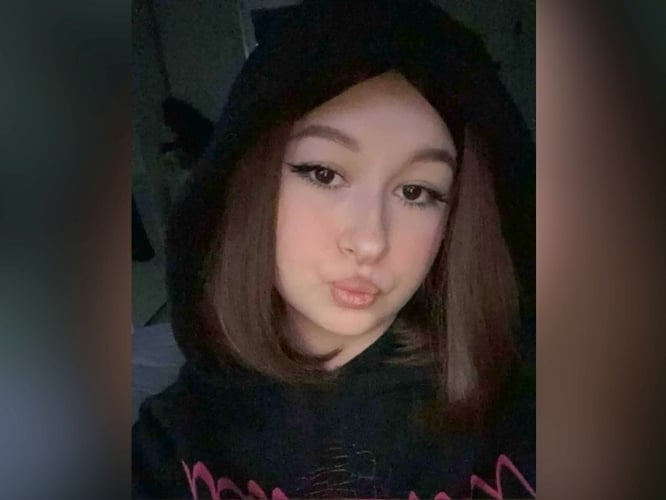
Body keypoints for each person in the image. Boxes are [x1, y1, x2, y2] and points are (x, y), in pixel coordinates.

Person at [132, 0, 535, 498]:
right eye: (324, 174)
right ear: (248, 184)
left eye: (416, 192)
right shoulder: (170, 445)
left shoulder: (526, 413)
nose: (370, 240)